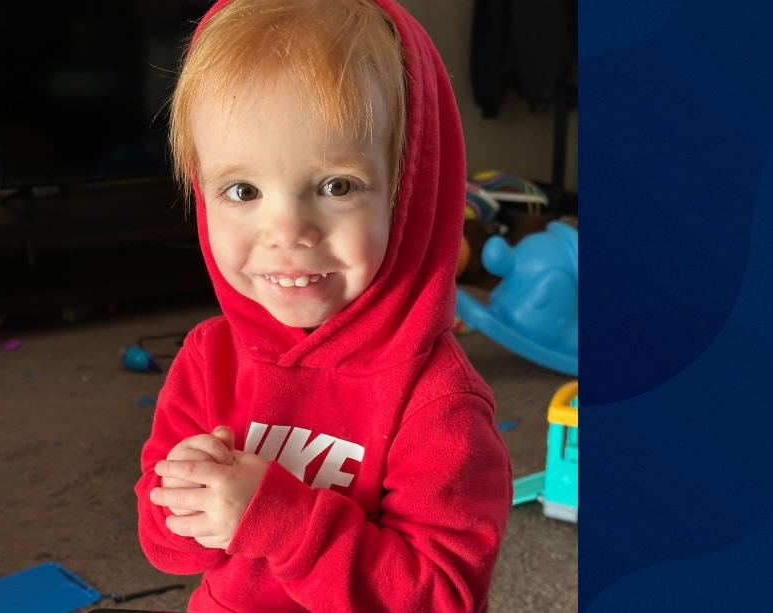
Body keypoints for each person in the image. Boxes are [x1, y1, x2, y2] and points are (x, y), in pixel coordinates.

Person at [134, 0, 513, 611]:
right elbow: (169, 550)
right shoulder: (209, 357)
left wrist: (277, 520)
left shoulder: (436, 397)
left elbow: (441, 597)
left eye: (337, 185)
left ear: (408, 193)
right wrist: (181, 500)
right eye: (243, 190)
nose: (287, 231)